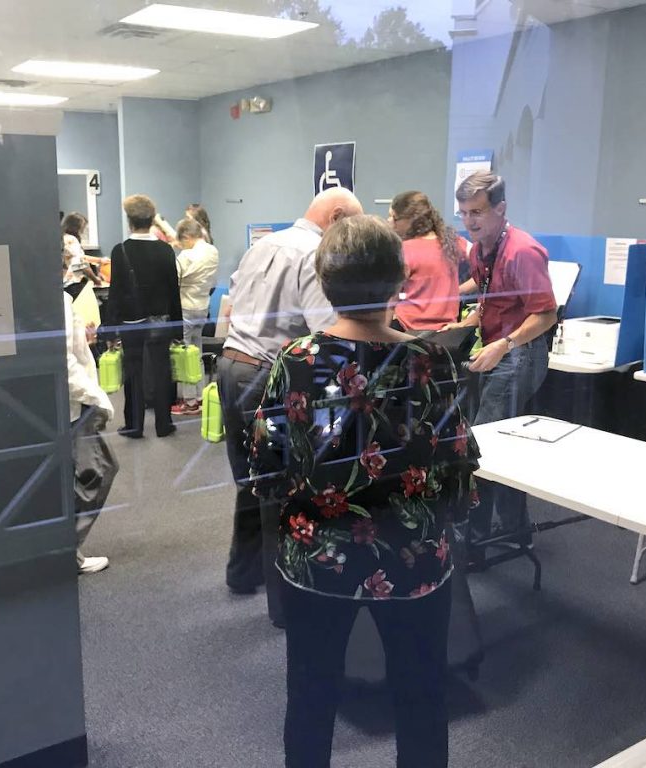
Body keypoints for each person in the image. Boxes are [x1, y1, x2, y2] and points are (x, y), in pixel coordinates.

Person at [249, 215, 480, 768]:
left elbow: (266, 462)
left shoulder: (297, 362)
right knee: (422, 695)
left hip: (319, 555)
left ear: (325, 282)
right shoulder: (432, 360)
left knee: (310, 694)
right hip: (414, 557)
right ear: (399, 280)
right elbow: (458, 466)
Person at [219, 187, 363, 625]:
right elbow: (325, 331)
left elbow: (230, 305)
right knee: (281, 490)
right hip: (267, 374)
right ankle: (285, 608)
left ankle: (242, 573)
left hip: (229, 365)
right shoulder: (317, 253)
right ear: (336, 216)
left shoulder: (264, 244)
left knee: (251, 479)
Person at [446, 172, 557, 544]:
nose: (469, 221)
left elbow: (546, 314)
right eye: (463, 213)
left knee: (483, 443)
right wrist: (456, 308)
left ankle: (476, 535)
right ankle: (514, 526)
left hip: (520, 353)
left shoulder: (523, 251)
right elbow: (488, 288)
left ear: (501, 208)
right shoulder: (481, 248)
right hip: (496, 348)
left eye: (477, 211)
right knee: (498, 440)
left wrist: (505, 344)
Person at [106, 194, 183, 439]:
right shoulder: (165, 250)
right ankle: (164, 423)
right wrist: (177, 329)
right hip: (160, 320)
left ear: (129, 221)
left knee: (133, 372)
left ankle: (134, 425)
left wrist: (109, 329)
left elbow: (115, 292)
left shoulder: (120, 251)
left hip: (131, 323)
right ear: (152, 220)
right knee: (161, 371)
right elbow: (174, 291)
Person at [64, 255, 115, 573]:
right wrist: (99, 399)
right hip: (74, 402)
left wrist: (82, 334)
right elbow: (64, 363)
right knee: (98, 470)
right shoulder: (53, 300)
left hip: (70, 401)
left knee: (94, 469)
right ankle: (66, 549)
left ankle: (65, 548)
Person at [388, 191, 470, 331]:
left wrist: (381, 331)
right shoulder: (453, 241)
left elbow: (391, 299)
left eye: (394, 218)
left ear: (410, 220)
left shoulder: (405, 249)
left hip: (409, 331)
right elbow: (489, 266)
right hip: (447, 333)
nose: (389, 222)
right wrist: (457, 291)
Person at [171, 217, 219, 416]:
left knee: (184, 356)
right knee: (197, 354)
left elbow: (174, 281)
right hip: (202, 308)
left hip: (185, 307)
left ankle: (189, 401)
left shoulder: (185, 257)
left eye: (182, 241)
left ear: (188, 237)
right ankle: (199, 398)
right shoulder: (212, 251)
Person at [62, 212, 103, 290]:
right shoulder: (72, 240)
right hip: (72, 283)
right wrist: (95, 279)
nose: (83, 230)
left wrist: (99, 260)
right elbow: (81, 265)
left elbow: (79, 257)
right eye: (83, 227)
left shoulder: (64, 239)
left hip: (64, 282)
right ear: (76, 227)